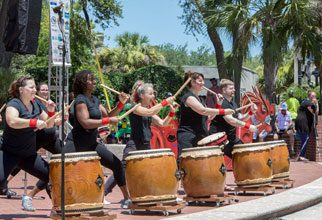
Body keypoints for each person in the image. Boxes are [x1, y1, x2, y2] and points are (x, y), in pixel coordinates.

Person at [63, 70, 131, 208]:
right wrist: (107, 120)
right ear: (83, 83)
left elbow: (109, 114)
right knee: (60, 169)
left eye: (94, 79)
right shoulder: (80, 100)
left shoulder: (95, 100)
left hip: (92, 144)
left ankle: (127, 199)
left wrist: (121, 104)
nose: (94, 81)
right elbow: (85, 122)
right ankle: (48, 199)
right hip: (76, 143)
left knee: (117, 164)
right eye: (90, 79)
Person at [104, 80, 176, 200]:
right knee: (122, 167)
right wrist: (164, 103)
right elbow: (148, 112)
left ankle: (147, 194)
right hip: (135, 143)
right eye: (151, 93)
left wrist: (171, 112)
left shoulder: (148, 109)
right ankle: (105, 192)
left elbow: (162, 123)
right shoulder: (134, 107)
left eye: (153, 93)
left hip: (146, 144)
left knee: (146, 170)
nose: (153, 96)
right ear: (142, 95)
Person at [0, 75, 56, 211]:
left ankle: (58, 208)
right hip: (9, 152)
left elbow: (49, 125)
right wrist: (33, 122)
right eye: (31, 87)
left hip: (28, 154)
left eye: (34, 87)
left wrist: (51, 111)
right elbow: (12, 121)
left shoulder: (35, 104)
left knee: (51, 175)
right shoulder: (14, 104)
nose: (34, 90)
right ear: (21, 90)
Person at [177, 72, 235, 155]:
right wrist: (223, 111)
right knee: (187, 164)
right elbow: (202, 110)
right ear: (192, 82)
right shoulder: (188, 97)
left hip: (200, 135)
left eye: (203, 81)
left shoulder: (201, 100)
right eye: (200, 81)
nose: (203, 83)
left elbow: (210, 117)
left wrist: (218, 104)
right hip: (188, 135)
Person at [209, 79, 257, 158]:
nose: (234, 90)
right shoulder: (223, 103)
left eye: (233, 88)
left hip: (231, 137)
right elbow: (231, 120)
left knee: (244, 158)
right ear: (224, 90)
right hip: (219, 139)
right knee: (217, 165)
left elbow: (240, 118)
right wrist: (248, 126)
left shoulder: (233, 103)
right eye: (231, 88)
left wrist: (251, 112)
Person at [295, 91, 319, 161]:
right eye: (313, 96)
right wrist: (316, 103)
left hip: (302, 123)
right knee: (305, 139)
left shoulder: (306, 102)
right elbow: (314, 112)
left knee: (303, 139)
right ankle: (301, 156)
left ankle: (300, 155)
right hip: (303, 123)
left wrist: (316, 104)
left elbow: (316, 112)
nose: (314, 97)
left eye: (315, 96)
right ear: (309, 96)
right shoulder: (307, 102)